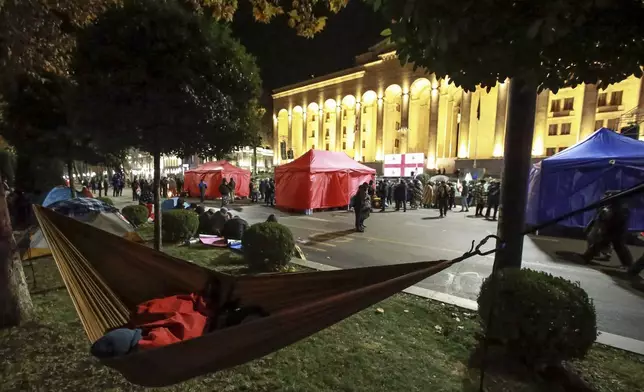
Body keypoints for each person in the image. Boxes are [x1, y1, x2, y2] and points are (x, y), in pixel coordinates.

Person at [581, 192, 633, 268]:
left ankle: (586, 257)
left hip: (615, 231)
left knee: (610, 244)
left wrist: (605, 228)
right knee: (607, 244)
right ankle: (628, 264)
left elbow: (614, 221)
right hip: (613, 230)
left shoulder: (619, 208)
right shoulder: (613, 207)